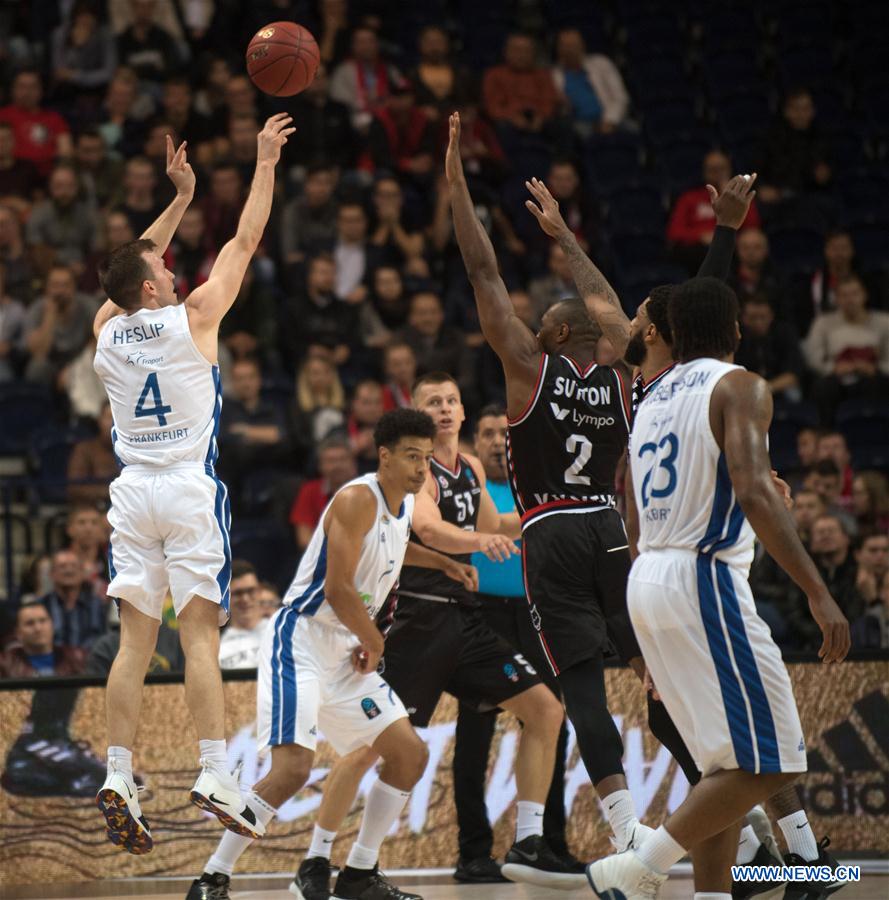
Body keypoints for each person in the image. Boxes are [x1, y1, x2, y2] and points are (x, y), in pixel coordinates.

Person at [588, 276, 849, 898]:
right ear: (736, 329)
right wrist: (817, 591)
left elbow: (632, 508)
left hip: (648, 572)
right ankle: (641, 864)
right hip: (703, 576)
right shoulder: (739, 385)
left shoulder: (649, 398)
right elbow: (753, 488)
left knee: (721, 768)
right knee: (774, 760)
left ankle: (712, 893)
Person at [447, 113, 653, 870]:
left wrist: (454, 180)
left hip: (551, 532)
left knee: (583, 695)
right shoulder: (626, 380)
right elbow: (605, 303)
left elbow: (481, 273)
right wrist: (565, 241)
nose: (531, 326)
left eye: (542, 323)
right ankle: (770, 842)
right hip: (613, 527)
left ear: (554, 338)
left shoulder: (531, 373)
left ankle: (629, 837)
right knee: (655, 679)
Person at [91, 115, 295, 853]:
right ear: (154, 287)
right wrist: (264, 163)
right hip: (184, 489)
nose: (176, 272)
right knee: (201, 638)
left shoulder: (106, 330)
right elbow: (245, 241)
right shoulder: (194, 317)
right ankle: (214, 771)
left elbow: (127, 271)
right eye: (165, 270)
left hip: (130, 492)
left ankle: (118, 773)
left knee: (132, 647)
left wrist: (178, 199)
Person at [290, 374, 569, 900]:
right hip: (417, 621)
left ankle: (529, 841)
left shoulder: (474, 466)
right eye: (432, 403)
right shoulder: (421, 476)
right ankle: (317, 856)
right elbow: (434, 530)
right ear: (417, 415)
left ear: (463, 413)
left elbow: (496, 523)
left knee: (546, 710)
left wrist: (546, 512)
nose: (443, 410)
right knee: (373, 750)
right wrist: (474, 544)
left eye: (450, 402)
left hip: (465, 620)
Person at [185, 408, 475, 900]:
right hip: (302, 638)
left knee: (408, 755)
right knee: (293, 769)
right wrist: (374, 638)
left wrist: (444, 563)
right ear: (383, 457)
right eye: (411, 457)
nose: (421, 468)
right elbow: (339, 589)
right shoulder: (356, 499)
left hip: (345, 646)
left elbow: (393, 548)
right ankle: (212, 879)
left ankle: (360, 873)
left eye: (426, 458)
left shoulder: (403, 503)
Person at [452, 405, 581, 881]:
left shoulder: (542, 484)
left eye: (504, 434)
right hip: (481, 615)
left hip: (536, 613)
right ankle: (473, 853)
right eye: (485, 434)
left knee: (552, 725)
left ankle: (550, 844)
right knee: (475, 735)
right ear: (474, 441)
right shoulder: (468, 486)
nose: (495, 442)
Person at [805, 274, 889, 424]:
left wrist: (875, 368)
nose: (850, 300)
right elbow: (813, 357)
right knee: (822, 387)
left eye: (855, 294)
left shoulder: (884, 321)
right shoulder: (823, 322)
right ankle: (828, 432)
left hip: (872, 376)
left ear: (864, 295)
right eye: (844, 295)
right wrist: (833, 368)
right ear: (836, 298)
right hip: (837, 377)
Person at [667, 150, 761, 274]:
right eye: (713, 169)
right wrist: (701, 236)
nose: (718, 174)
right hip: (698, 251)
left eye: (722, 169)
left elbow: (752, 228)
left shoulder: (740, 198)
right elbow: (674, 232)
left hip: (732, 249)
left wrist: (728, 194)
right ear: (705, 172)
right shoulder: (689, 198)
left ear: (729, 169)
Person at [551, 28, 630, 135]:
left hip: (609, 118)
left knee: (631, 129)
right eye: (565, 46)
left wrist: (609, 121)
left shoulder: (601, 63)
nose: (570, 50)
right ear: (558, 49)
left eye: (574, 45)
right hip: (579, 123)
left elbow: (620, 98)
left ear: (582, 46)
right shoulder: (554, 75)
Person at [289, 436, 358, 552]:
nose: (337, 466)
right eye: (331, 461)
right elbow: (304, 539)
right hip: (322, 560)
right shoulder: (310, 490)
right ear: (320, 466)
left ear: (354, 464)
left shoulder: (370, 490)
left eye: (343, 459)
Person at [0, 69, 73, 177]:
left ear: (41, 91)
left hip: (47, 177)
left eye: (32, 87)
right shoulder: (2, 116)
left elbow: (66, 152)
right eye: (22, 87)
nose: (27, 92)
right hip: (10, 177)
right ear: (13, 90)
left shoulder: (54, 118)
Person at [39, 548, 107, 650]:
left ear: (83, 573)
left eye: (74, 566)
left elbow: (101, 638)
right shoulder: (42, 605)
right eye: (62, 566)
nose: (69, 571)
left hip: (88, 662)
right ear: (52, 574)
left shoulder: (96, 604)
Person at [0, 602, 86, 677]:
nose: (38, 628)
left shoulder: (77, 658)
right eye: (30, 623)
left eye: (43, 621)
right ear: (18, 633)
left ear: (52, 626)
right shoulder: (5, 664)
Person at [218, 560, 268, 670]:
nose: (245, 599)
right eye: (238, 593)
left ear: (259, 592)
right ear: (226, 598)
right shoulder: (217, 648)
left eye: (251, 591)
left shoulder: (281, 632)